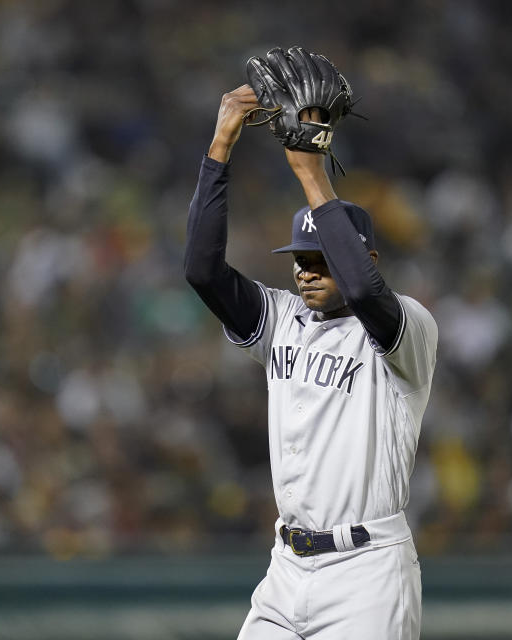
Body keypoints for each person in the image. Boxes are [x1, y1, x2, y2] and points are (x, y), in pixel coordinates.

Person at [184, 84, 438, 639]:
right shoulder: (282, 319)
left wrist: (311, 174)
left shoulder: (408, 330)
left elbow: (369, 297)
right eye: (300, 259)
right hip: (286, 567)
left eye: (321, 259)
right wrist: (222, 142)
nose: (306, 271)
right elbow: (203, 272)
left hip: (366, 572)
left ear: (365, 258)